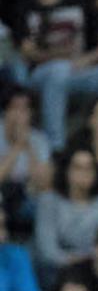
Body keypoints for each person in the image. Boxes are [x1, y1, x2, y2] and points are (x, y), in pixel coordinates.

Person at [13, 0, 98, 151]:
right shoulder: (24, 9)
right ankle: (56, 146)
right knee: (58, 69)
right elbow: (27, 52)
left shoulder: (79, 2)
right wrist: (58, 57)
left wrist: (86, 60)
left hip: (79, 68)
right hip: (41, 74)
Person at [34, 148, 98, 286]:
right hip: (56, 273)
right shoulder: (48, 201)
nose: (84, 173)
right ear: (67, 171)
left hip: (97, 274)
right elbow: (47, 251)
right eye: (78, 167)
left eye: (89, 168)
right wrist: (77, 261)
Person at [0, 90, 53, 236]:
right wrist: (17, 147)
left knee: (47, 202)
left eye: (24, 109)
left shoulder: (39, 139)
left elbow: (45, 185)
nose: (19, 115)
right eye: (15, 108)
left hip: (26, 197)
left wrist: (28, 147)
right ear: (5, 112)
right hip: (2, 194)